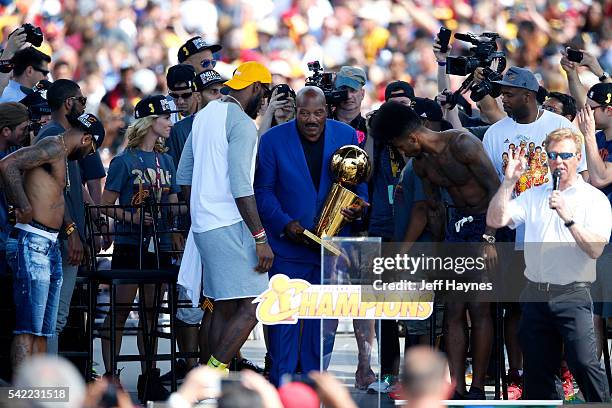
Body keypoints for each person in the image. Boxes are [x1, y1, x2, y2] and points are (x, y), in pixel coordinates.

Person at [371, 102, 500, 400]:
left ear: (412, 138)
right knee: (454, 310)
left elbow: (496, 189)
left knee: (479, 309)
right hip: (455, 226)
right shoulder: (421, 165)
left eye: (399, 145)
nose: (401, 151)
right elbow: (432, 209)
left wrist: (490, 238)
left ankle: (478, 387)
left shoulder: (463, 143)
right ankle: (456, 386)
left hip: (486, 224)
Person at [482, 67, 588, 398]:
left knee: (559, 306)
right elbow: (492, 188)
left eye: (509, 93)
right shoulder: (494, 133)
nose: (503, 98)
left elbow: (580, 179)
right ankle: (518, 374)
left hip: (557, 233)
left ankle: (563, 373)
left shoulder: (558, 127)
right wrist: (489, 236)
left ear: (528, 95)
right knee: (517, 308)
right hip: (516, 233)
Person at [486, 128, 611, 402]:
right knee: (539, 373)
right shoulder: (534, 195)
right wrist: (508, 183)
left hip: (573, 293)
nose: (559, 162)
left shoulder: (594, 199)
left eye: (566, 155)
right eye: (553, 155)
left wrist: (568, 218)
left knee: (585, 365)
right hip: (535, 294)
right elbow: (496, 220)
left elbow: (595, 249)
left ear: (578, 158)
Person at [255, 86, 368, 386]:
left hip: (329, 252)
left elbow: (360, 181)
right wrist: (284, 223)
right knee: (284, 330)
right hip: (287, 250)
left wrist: (358, 208)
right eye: (304, 113)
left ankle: (314, 389)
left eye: (318, 112)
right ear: (295, 111)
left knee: (320, 332)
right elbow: (263, 191)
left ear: (327, 111)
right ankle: (282, 389)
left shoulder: (346, 135)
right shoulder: (271, 141)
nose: (311, 119)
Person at [176, 61, 274, 373]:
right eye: (266, 94)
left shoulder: (204, 115)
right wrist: (260, 238)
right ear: (257, 88)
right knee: (257, 301)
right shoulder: (243, 124)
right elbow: (240, 185)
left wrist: (201, 211)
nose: (266, 101)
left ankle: (207, 377)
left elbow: (184, 175)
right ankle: (214, 372)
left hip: (205, 225)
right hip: (229, 224)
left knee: (221, 306)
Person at [0, 112, 103, 369]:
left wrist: (69, 229)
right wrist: (21, 204)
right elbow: (7, 165)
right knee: (29, 327)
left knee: (44, 329)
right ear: (86, 138)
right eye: (91, 149)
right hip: (32, 240)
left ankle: (40, 391)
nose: (89, 155)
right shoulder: (52, 146)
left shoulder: (60, 153)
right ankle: (25, 394)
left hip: (48, 243)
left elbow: (55, 198)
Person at [100, 95, 183, 401]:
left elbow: (174, 205)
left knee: (151, 314)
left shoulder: (168, 161)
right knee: (120, 312)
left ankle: (149, 374)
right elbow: (105, 205)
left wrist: (175, 223)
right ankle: (111, 376)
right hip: (128, 243)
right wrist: (131, 216)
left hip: (158, 244)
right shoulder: (124, 161)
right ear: (150, 121)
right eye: (165, 118)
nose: (170, 123)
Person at [36, 79, 107, 356]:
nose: (83, 105)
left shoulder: (67, 136)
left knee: (56, 318)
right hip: (56, 238)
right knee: (53, 319)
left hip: (66, 236)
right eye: (81, 101)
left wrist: (91, 222)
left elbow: (73, 188)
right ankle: (46, 388)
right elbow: (51, 191)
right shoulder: (52, 136)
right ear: (69, 103)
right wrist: (72, 231)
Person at [163, 68, 224, 381]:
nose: (217, 97)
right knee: (190, 303)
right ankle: (189, 370)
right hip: (193, 226)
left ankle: (213, 369)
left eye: (220, 91)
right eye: (211, 91)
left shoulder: (230, 120)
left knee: (217, 302)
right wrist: (178, 227)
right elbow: (178, 183)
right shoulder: (182, 130)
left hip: (223, 224)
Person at [576, 83, 612, 360]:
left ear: (608, 110)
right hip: (598, 236)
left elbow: (599, 179)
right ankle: (594, 386)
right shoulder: (597, 141)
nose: (586, 113)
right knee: (594, 313)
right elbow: (589, 180)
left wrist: (586, 134)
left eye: (592, 108)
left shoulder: (595, 138)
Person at [167, 69, 225, 167]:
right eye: (214, 92)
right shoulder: (178, 129)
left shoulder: (233, 123)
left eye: (223, 91)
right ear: (197, 96)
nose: (221, 96)